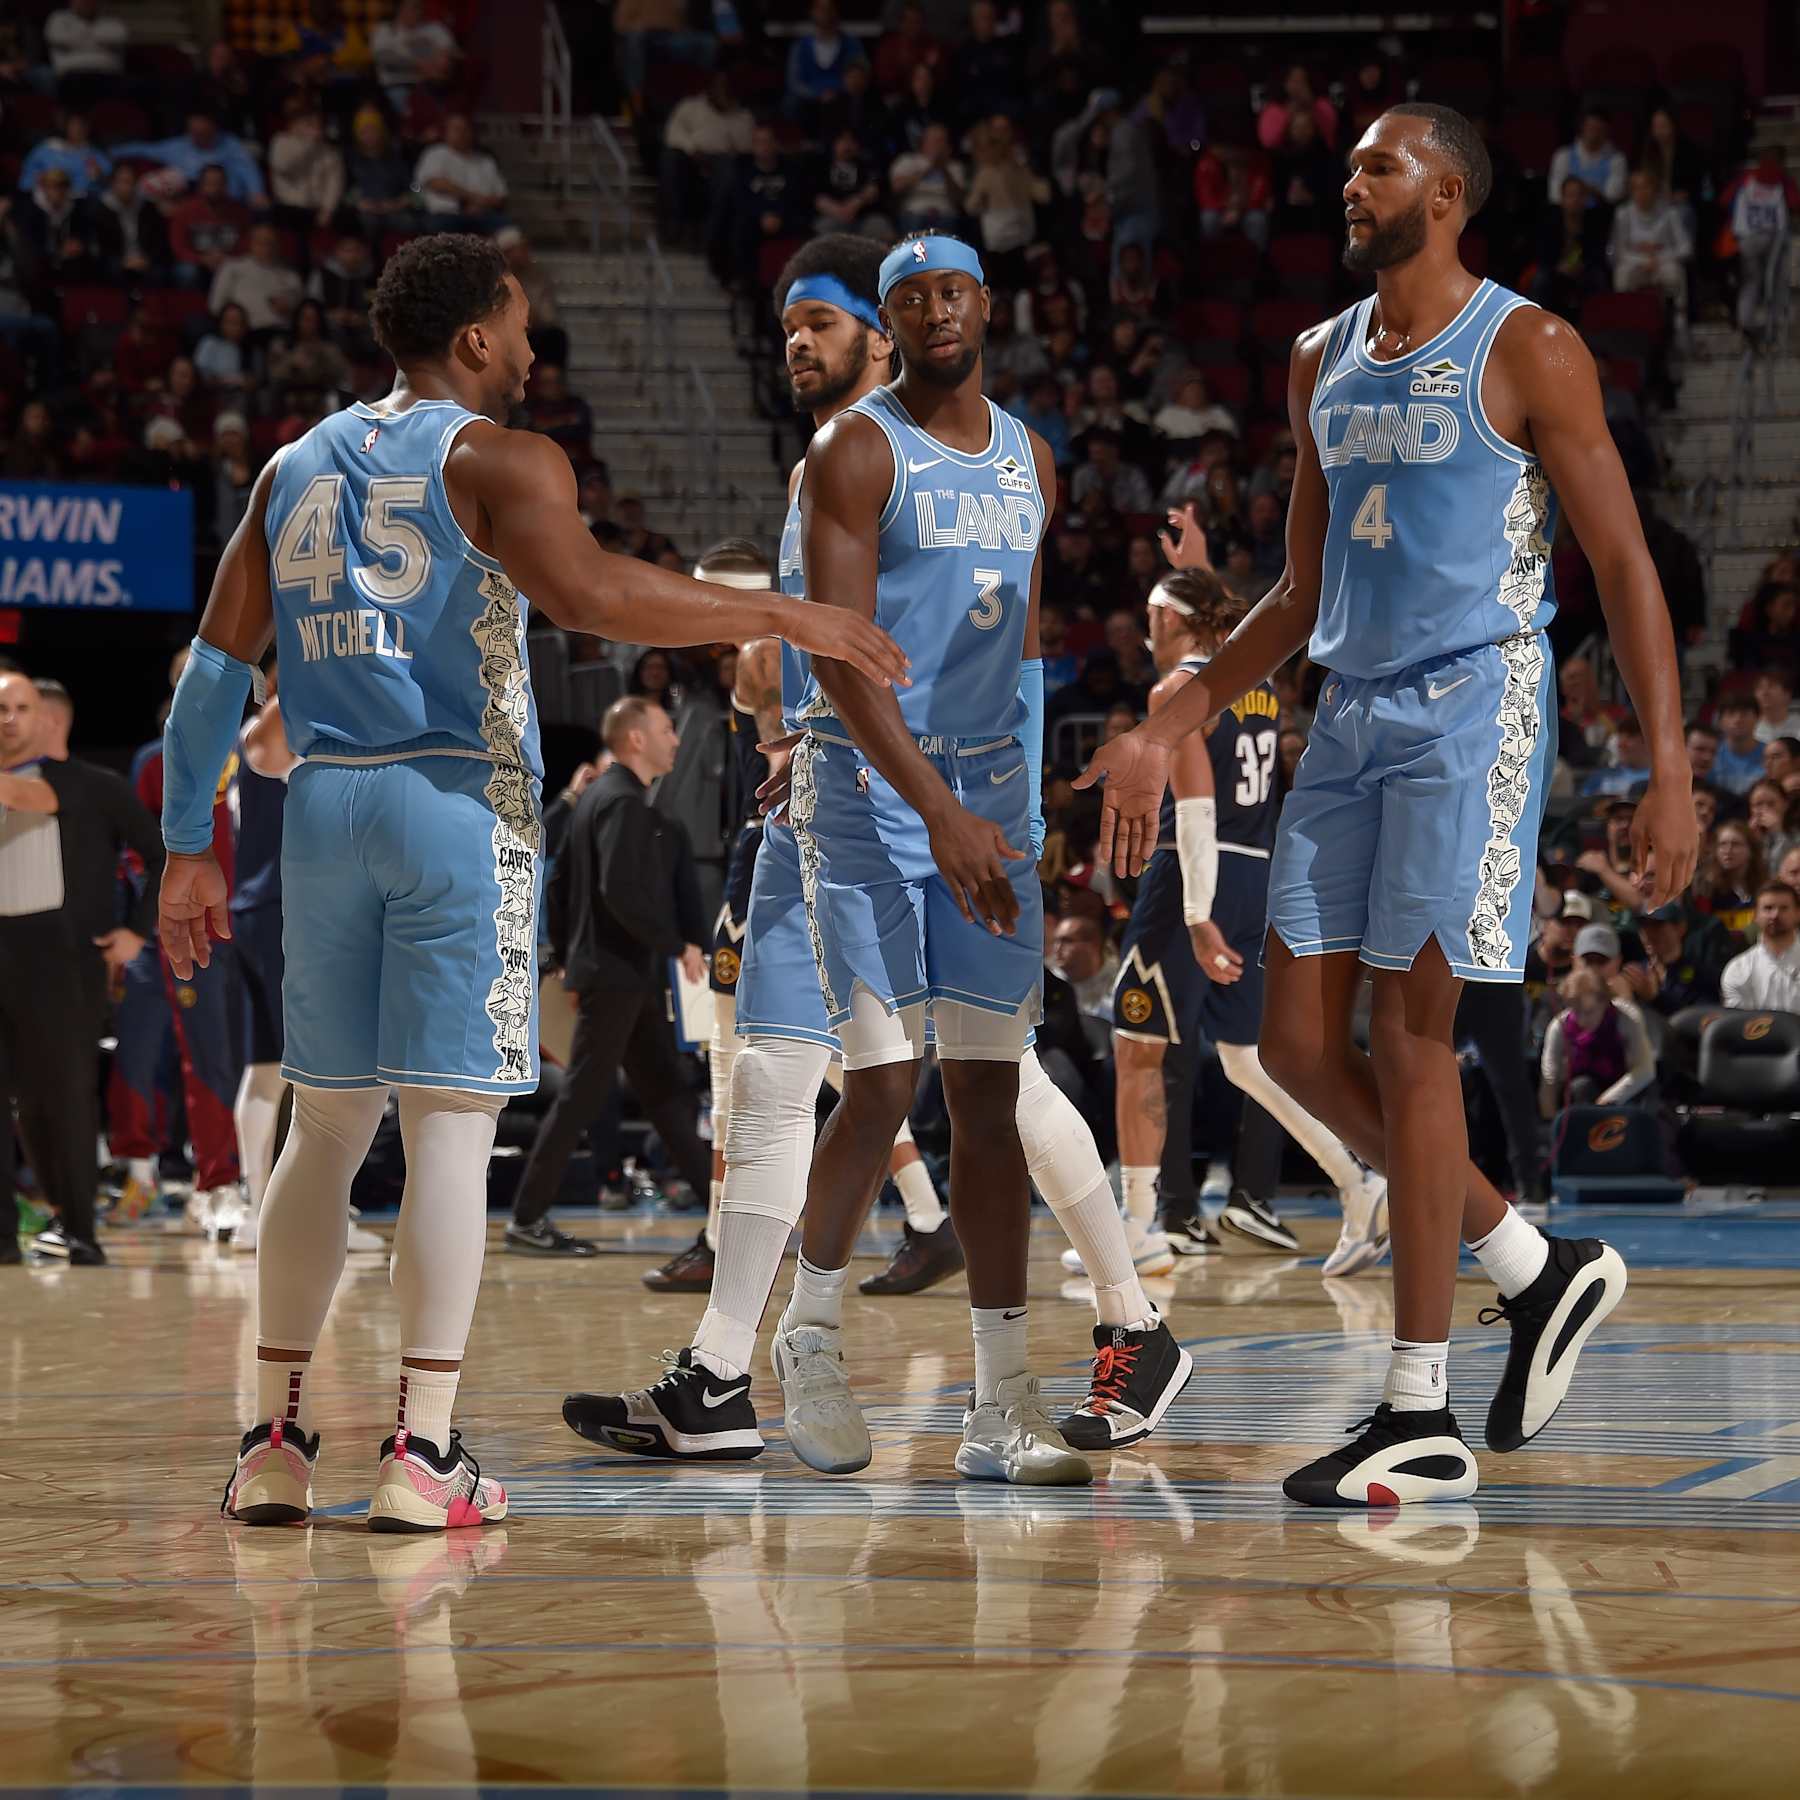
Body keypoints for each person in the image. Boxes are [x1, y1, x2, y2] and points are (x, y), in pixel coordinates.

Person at [159, 231, 906, 1533]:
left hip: (322, 805)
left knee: (323, 1128)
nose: (531, 353)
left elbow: (217, 673)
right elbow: (593, 594)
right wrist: (780, 613)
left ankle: (273, 1444)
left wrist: (183, 847)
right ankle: (423, 1451)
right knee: (449, 1128)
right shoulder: (498, 456)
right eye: (520, 329)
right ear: (472, 341)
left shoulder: (292, 464)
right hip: (453, 802)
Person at [1078, 105, 1695, 1506]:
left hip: (1475, 704)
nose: (1349, 183)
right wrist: (1164, 718)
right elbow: (1294, 596)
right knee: (1293, 1046)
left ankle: (1416, 1408)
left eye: (1379, 164)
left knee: (1414, 1052)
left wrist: (1668, 768)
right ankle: (1536, 1271)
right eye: (1348, 166)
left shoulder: (1528, 344)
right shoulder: (1318, 361)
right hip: (1347, 715)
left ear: (1452, 191)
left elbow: (1625, 565)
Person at [563, 234, 1188, 1474]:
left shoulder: (1005, 455)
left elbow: (994, 639)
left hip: (944, 793)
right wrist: (786, 708)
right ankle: (755, 1362)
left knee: (945, 1082)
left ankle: (1075, 1337)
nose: (801, 342)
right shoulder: (848, 455)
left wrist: (1002, 806)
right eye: (790, 323)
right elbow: (830, 656)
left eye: (823, 321)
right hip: (843, 802)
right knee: (843, 1082)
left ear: (892, 328)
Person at [1094, 564, 1388, 1279]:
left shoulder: (1177, 693)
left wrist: (1195, 915)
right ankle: (1360, 1182)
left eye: (1153, 610)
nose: (1145, 623)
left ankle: (1139, 1229)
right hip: (1258, 870)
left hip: (1196, 875)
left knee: (1137, 1047)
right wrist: (1196, 557)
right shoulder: (1256, 687)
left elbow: (1193, 807)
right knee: (1246, 1060)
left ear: (1174, 621)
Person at [504, 695, 712, 1254]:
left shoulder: (595, 798)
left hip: (617, 973)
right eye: (668, 729)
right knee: (581, 1097)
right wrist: (679, 947)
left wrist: (572, 953)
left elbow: (559, 883)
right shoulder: (623, 803)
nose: (676, 739)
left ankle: (723, 1222)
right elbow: (619, 892)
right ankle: (525, 1219)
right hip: (618, 974)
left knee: (667, 1097)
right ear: (637, 739)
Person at [0, 672, 163, 1265]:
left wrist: (137, 934)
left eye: (22, 708)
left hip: (63, 962)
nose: (12, 719)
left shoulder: (87, 785)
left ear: (51, 719)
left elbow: (160, 854)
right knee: (20, 1104)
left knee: (61, 1098)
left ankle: (79, 1230)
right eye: (4, 708)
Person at [227, 674, 383, 1257]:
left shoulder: (250, 737)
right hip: (285, 909)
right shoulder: (295, 736)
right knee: (320, 1066)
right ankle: (317, 1214)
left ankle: (256, 1207)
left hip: (252, 908)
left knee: (265, 1066)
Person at [1539, 966, 1655, 1113]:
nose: (1581, 1020)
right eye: (1576, 1011)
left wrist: (1605, 1102)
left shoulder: (1627, 1018)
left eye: (1589, 1012)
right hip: (1583, 1093)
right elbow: (1550, 1077)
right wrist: (1550, 1119)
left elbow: (1645, 1069)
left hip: (1624, 1088)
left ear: (1605, 1002)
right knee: (1581, 1086)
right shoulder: (1560, 1026)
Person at [1721, 881, 1800, 1010]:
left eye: (1784, 908)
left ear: (1798, 913)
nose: (1775, 915)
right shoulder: (1738, 969)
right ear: (1755, 915)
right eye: (1768, 908)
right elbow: (1740, 1023)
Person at [1547, 110, 1627, 209]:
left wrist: (1580, 191)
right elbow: (1555, 195)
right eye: (1590, 127)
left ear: (1606, 130)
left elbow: (1613, 196)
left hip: (1601, 214)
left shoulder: (1617, 159)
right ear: (1582, 127)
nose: (1594, 132)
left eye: (1599, 128)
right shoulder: (1563, 155)